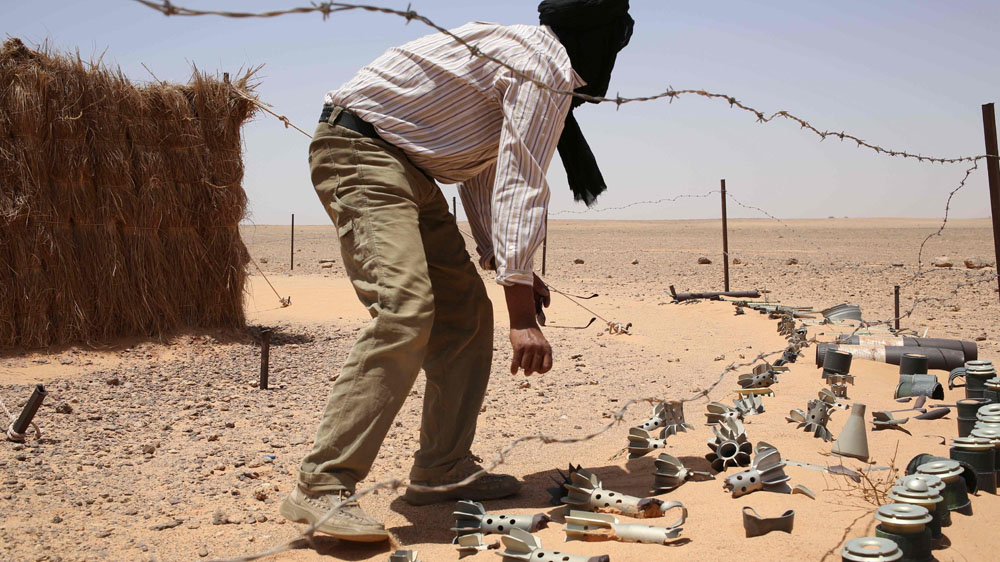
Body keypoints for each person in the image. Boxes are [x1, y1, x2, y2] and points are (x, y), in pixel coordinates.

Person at [280, 0, 634, 542]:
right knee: (405, 308)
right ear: (603, 36)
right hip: (363, 152)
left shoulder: (531, 56)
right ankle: (323, 483)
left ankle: (441, 470)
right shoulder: (544, 67)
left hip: (412, 170)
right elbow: (522, 178)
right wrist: (522, 313)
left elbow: (482, 172)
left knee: (466, 312)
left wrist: (506, 261)